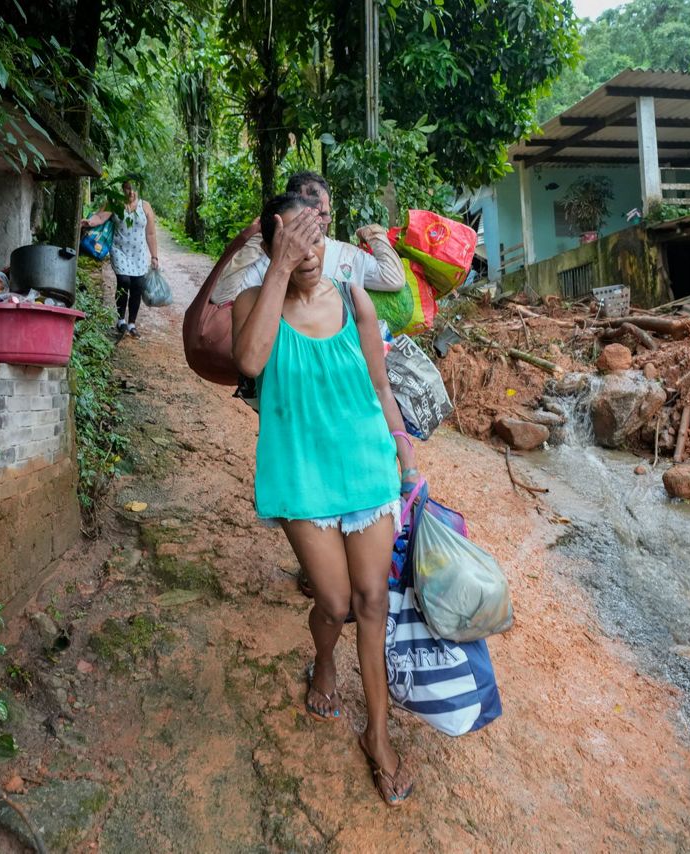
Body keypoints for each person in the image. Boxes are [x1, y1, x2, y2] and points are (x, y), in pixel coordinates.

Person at [231, 192, 419, 806]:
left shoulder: (355, 299)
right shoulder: (252, 304)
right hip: (302, 477)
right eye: (288, 239)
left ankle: (379, 735)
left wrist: (405, 452)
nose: (305, 251)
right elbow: (251, 362)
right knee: (334, 603)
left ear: (327, 240)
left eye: (313, 237)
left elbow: (379, 382)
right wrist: (278, 268)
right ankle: (324, 658)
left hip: (366, 466)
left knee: (371, 601)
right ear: (270, 245)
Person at [210, 171, 405, 305]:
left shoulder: (348, 256)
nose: (316, 224)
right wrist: (258, 236)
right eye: (306, 216)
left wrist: (373, 233)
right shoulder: (268, 260)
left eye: (323, 215)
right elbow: (221, 296)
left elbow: (393, 278)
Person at [81, 178, 158, 338]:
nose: (131, 192)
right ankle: (121, 319)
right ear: (123, 189)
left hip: (139, 254)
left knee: (137, 286)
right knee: (124, 281)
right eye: (128, 189)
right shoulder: (115, 203)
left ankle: (132, 324)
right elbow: (100, 217)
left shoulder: (145, 206)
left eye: (134, 189)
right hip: (119, 250)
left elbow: (150, 233)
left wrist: (154, 256)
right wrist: (89, 222)